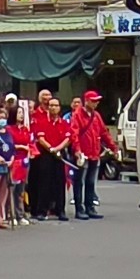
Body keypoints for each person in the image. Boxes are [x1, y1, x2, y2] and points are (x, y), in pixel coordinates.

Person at [69, 90, 109, 220]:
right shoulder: (77, 115)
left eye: (97, 101)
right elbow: (74, 135)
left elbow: (104, 132)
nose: (96, 103)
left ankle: (90, 207)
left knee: (91, 182)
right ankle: (79, 209)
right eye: (93, 101)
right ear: (86, 101)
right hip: (83, 153)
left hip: (94, 152)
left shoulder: (96, 115)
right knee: (79, 181)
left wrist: (113, 147)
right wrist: (78, 151)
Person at [30, 93, 70, 221]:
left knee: (59, 183)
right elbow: (40, 139)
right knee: (44, 183)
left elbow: (68, 139)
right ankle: (42, 211)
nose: (53, 108)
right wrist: (51, 149)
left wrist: (58, 149)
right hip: (45, 155)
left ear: (59, 108)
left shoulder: (64, 123)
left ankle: (60, 211)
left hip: (59, 155)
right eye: (51, 105)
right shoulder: (42, 122)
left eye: (56, 105)